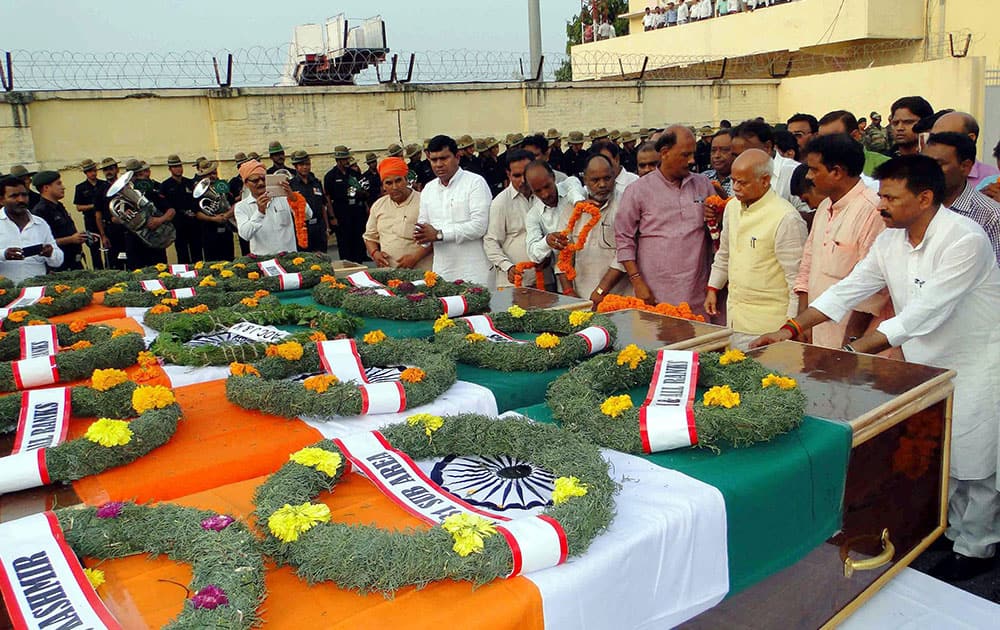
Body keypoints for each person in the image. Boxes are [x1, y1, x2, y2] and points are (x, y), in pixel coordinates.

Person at [751, 155, 1000, 583]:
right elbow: (852, 287)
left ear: (924, 198)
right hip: (926, 362)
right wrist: (790, 328)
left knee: (974, 456)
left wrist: (851, 351)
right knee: (941, 449)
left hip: (978, 360)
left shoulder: (965, 239)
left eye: (890, 197)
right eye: (880, 194)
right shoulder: (890, 240)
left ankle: (978, 546)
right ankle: (951, 529)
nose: (880, 205)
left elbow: (924, 312)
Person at [794, 134, 892, 350]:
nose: (808, 176)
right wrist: (801, 324)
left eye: (814, 169)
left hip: (852, 340)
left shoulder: (873, 210)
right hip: (816, 331)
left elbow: (873, 289)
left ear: (837, 172)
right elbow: (807, 267)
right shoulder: (823, 207)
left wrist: (851, 344)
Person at [705, 150, 806, 350]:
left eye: (742, 183)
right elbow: (725, 253)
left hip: (769, 328)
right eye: (733, 181)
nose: (735, 188)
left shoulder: (786, 218)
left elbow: (796, 280)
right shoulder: (732, 207)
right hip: (734, 319)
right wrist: (713, 288)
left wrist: (791, 327)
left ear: (765, 180)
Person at [615, 125, 716, 313]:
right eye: (685, 155)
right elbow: (623, 239)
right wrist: (637, 281)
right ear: (664, 153)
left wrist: (717, 218)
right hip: (655, 294)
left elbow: (717, 234)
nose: (692, 160)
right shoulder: (638, 190)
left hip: (698, 294)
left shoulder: (703, 184)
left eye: (693, 154)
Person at [414, 135, 492, 285]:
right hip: (442, 272)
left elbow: (479, 226)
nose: (438, 164)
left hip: (475, 272)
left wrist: (439, 234)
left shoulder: (475, 183)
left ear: (457, 157)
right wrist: (422, 236)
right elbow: (424, 228)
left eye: (444, 158)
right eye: (434, 160)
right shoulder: (428, 190)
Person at [923, 132, 1000, 265]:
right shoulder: (916, 207)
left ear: (965, 167)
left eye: (938, 165)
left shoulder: (991, 215)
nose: (928, 171)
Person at [574, 154, 631, 305]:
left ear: (614, 177)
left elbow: (625, 253)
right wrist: (569, 293)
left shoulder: (625, 204)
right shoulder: (574, 206)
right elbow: (563, 253)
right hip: (580, 298)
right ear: (585, 180)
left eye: (607, 178)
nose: (602, 185)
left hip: (617, 298)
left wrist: (600, 291)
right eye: (595, 180)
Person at [524, 160, 584, 294]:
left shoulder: (569, 187)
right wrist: (547, 241)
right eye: (538, 191)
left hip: (591, 269)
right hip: (564, 280)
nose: (545, 194)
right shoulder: (533, 215)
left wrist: (579, 203)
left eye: (547, 187)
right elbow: (533, 253)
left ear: (553, 177)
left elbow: (574, 186)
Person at [363, 157, 431, 271]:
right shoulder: (379, 205)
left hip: (422, 272)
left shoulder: (424, 202)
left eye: (398, 181)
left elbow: (434, 238)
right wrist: (375, 254)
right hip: (390, 274)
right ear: (383, 186)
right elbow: (369, 237)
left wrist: (415, 258)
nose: (394, 187)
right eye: (389, 183)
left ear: (406, 180)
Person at [484, 150, 538, 288]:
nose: (523, 180)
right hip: (514, 281)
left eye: (526, 174)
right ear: (508, 174)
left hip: (544, 277)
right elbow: (491, 242)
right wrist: (507, 267)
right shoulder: (501, 202)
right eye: (517, 176)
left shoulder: (543, 196)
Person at [235, 159, 311, 256]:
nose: (261, 183)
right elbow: (245, 235)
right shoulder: (241, 207)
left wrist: (294, 199)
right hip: (263, 261)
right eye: (255, 181)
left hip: (289, 258)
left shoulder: (283, 197)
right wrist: (260, 213)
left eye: (263, 179)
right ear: (246, 184)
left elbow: (308, 215)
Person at [734, 120, 808, 212]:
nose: (740, 161)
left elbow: (809, 215)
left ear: (767, 147)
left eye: (746, 154)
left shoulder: (793, 171)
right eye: (736, 156)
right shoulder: (737, 173)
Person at [0, 176, 63, 283]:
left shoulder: (40, 224)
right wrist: (4, 254)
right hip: (5, 293)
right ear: (1, 200)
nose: (21, 200)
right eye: (14, 196)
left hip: (38, 290)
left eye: (24, 195)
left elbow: (58, 261)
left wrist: (50, 253)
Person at [30, 171, 87, 272]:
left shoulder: (59, 206)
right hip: (59, 266)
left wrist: (80, 236)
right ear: (46, 188)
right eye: (58, 184)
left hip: (74, 262)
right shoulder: (40, 211)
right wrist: (71, 239)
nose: (63, 187)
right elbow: (43, 244)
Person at [122, 159, 175, 267]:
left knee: (159, 271)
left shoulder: (153, 189)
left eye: (137, 174)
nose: (135, 178)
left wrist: (159, 220)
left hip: (155, 239)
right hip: (135, 241)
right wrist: (124, 216)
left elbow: (171, 211)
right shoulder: (123, 192)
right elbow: (114, 218)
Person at [929, 111, 1000, 188]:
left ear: (970, 138)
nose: (936, 144)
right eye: (933, 137)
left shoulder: (990, 180)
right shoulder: (924, 173)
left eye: (945, 138)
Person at [324, 145, 368, 262]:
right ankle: (347, 268)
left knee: (358, 242)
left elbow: (364, 189)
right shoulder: (331, 176)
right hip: (341, 214)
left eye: (347, 158)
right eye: (344, 159)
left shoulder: (353, 174)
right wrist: (332, 217)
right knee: (344, 244)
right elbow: (327, 197)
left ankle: (359, 265)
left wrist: (360, 192)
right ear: (338, 160)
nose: (347, 161)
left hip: (356, 212)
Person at [817, 110, 889, 177]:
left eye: (832, 139)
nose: (824, 146)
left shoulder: (885, 165)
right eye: (820, 140)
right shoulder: (815, 169)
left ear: (855, 136)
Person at [160, 154, 201, 263]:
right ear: (170, 169)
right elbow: (165, 205)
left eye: (179, 166)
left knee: (197, 252)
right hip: (178, 224)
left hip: (193, 223)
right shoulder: (165, 185)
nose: (178, 169)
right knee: (182, 253)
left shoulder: (189, 183)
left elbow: (195, 200)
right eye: (175, 167)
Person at [288, 150, 331, 253]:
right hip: (303, 228)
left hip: (319, 227)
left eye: (307, 164)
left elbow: (322, 205)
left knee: (323, 258)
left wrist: (327, 227)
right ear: (296, 166)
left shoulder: (316, 182)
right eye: (301, 164)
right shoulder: (291, 185)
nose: (305, 167)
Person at [193, 161, 235, 262]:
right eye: (209, 174)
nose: (213, 176)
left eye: (214, 173)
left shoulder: (222, 185)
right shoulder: (198, 189)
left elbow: (233, 204)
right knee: (212, 261)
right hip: (209, 230)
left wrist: (226, 215)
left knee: (229, 260)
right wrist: (213, 218)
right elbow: (197, 212)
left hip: (226, 227)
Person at [72, 158, 110, 269]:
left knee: (109, 247)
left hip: (104, 220)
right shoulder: (80, 187)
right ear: (85, 173)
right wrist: (94, 206)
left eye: (94, 170)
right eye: (89, 171)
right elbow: (79, 207)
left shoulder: (104, 184)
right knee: (94, 250)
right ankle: (98, 271)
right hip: (90, 222)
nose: (93, 173)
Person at [702, 130, 735, 195]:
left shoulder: (742, 182)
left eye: (724, 150)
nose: (717, 155)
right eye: (713, 150)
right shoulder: (703, 179)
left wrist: (725, 200)